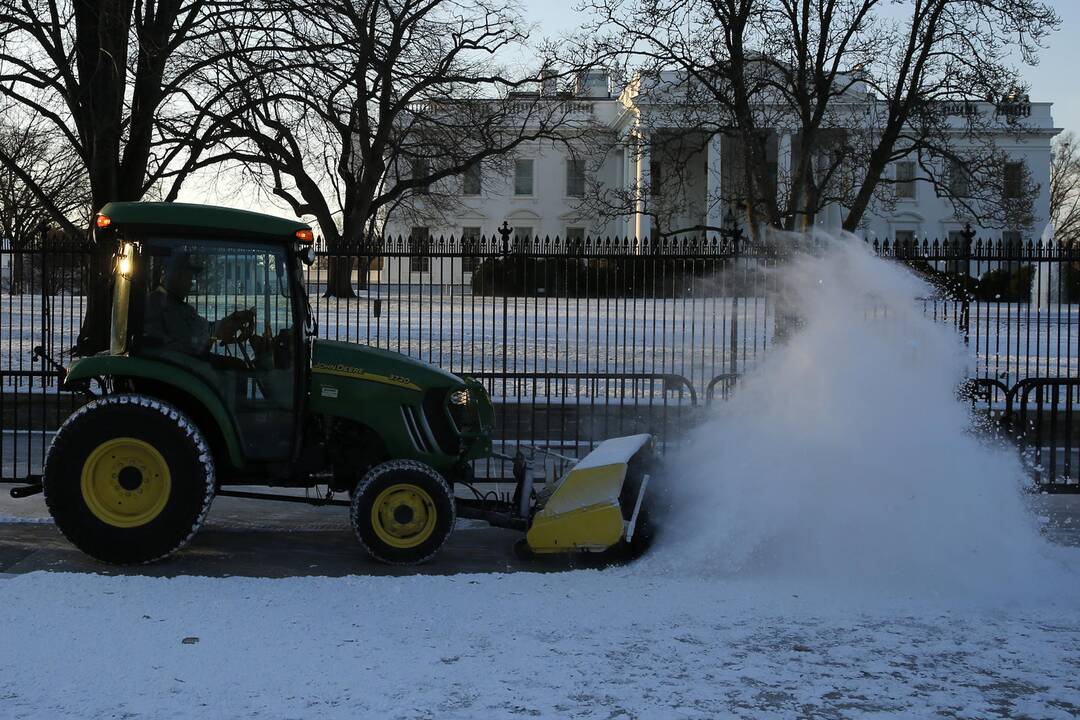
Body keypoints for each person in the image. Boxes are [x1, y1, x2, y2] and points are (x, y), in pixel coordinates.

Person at [143, 252, 254, 357]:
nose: (191, 283)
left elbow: (205, 329)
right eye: (188, 277)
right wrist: (216, 333)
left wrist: (232, 319)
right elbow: (186, 344)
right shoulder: (155, 305)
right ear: (175, 276)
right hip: (179, 368)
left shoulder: (182, 307)